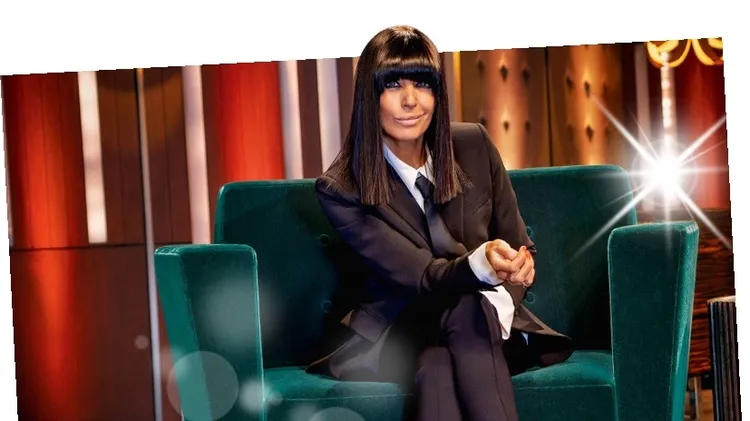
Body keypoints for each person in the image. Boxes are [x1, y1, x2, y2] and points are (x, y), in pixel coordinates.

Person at [307, 25, 573, 421]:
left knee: (437, 366)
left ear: (438, 93)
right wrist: (483, 266)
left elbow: (519, 245)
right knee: (464, 307)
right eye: (393, 85)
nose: (410, 100)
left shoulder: (474, 145)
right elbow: (423, 278)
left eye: (423, 84)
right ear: (369, 95)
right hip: (397, 330)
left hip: (477, 328)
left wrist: (518, 271)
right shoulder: (341, 188)